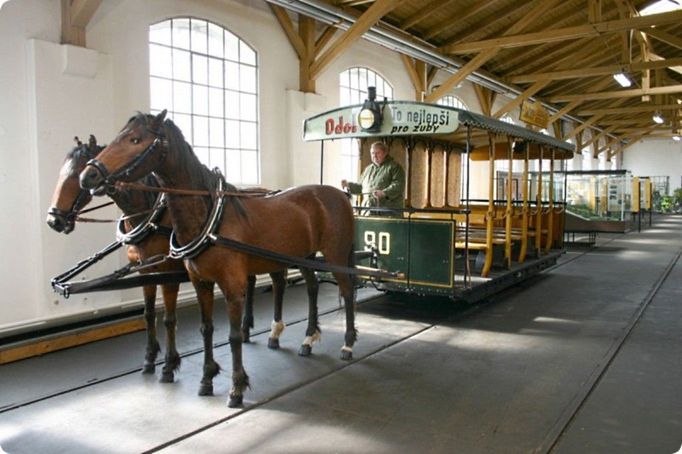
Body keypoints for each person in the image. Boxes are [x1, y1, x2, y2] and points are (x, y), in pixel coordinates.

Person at [341, 141, 405, 211]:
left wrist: (384, 193)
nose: (374, 156)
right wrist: (348, 185)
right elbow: (360, 187)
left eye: (377, 153)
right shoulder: (368, 169)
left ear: (385, 153)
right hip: (367, 211)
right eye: (372, 153)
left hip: (387, 212)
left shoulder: (394, 167)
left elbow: (399, 185)